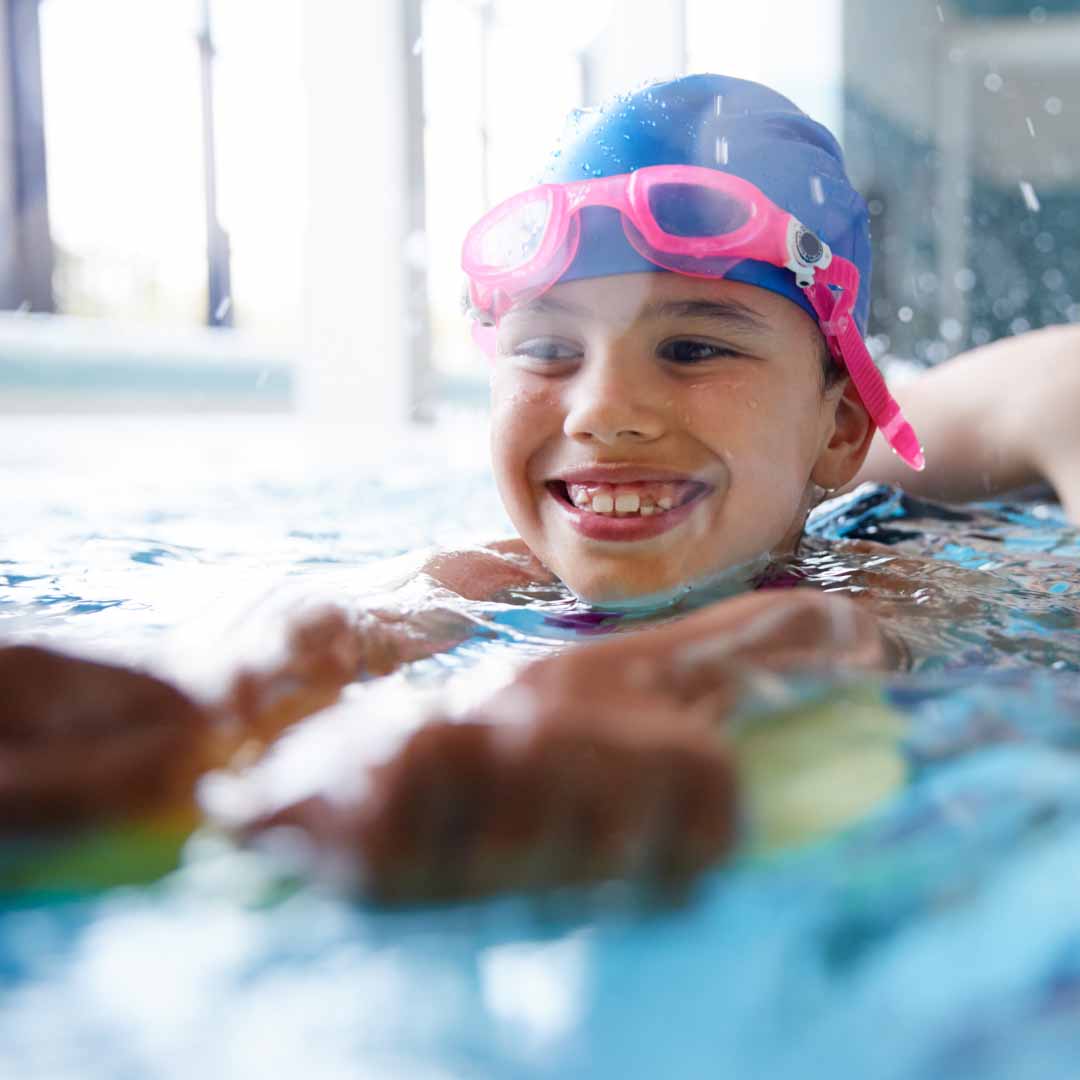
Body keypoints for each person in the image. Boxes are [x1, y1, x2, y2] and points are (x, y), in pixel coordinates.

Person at [3, 74, 1077, 901]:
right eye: (549, 353)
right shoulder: (494, 568)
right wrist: (205, 695)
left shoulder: (893, 577)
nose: (601, 410)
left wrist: (626, 683)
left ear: (838, 430)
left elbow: (827, 634)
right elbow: (362, 619)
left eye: (696, 349)